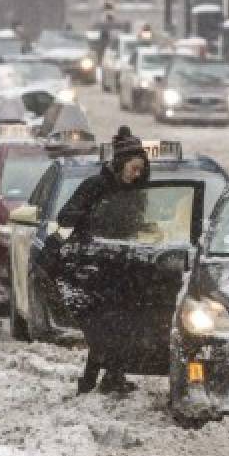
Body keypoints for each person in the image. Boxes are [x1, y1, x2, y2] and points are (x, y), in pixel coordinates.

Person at [55, 126, 150, 396]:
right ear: (120, 165)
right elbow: (64, 220)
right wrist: (88, 221)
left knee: (118, 327)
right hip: (93, 269)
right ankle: (92, 383)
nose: (137, 174)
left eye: (141, 169)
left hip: (125, 268)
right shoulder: (94, 187)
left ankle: (109, 378)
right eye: (133, 168)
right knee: (103, 330)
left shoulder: (136, 192)